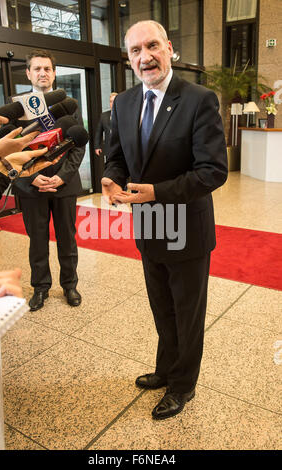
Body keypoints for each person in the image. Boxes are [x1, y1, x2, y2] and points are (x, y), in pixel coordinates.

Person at [102, 20, 228, 420]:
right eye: (136, 51)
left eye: (152, 46)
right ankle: (165, 368)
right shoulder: (123, 104)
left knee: (187, 312)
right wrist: (109, 177)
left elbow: (213, 171)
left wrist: (156, 192)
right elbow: (118, 155)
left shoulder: (198, 99)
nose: (145, 57)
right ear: (129, 59)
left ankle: (182, 385)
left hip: (187, 228)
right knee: (162, 307)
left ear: (169, 48)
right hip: (149, 226)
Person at [12, 49, 86, 311]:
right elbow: (10, 150)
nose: (43, 72)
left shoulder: (68, 105)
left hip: (63, 185)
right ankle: (40, 288)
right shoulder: (18, 110)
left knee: (67, 237)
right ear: (29, 73)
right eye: (37, 68)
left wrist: (61, 177)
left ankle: (70, 285)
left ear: (54, 73)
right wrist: (29, 178)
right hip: (31, 186)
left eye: (47, 68)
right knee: (38, 239)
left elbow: (78, 144)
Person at [94, 92, 118, 160]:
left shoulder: (124, 115)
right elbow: (99, 132)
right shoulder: (103, 116)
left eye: (114, 101)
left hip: (122, 149)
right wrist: (97, 146)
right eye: (111, 101)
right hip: (109, 149)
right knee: (109, 168)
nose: (112, 103)